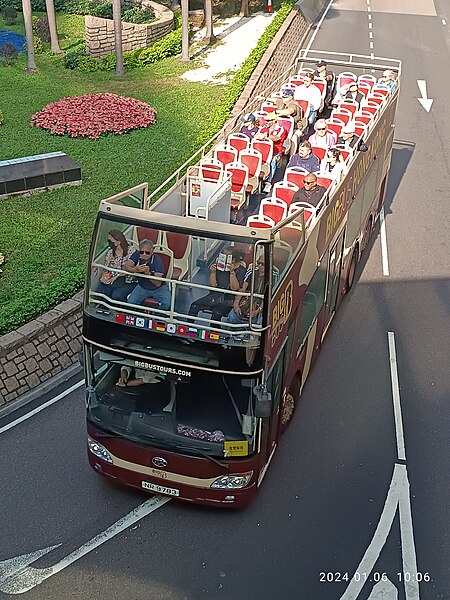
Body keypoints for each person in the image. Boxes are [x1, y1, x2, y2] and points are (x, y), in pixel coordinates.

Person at [189, 246, 247, 320]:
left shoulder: (241, 270)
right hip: (215, 296)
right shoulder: (219, 266)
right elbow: (212, 285)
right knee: (194, 306)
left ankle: (214, 331)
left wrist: (232, 272)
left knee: (217, 312)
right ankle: (188, 328)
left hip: (229, 299)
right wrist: (213, 273)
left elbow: (234, 288)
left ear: (233, 259)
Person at [125, 239, 171, 309]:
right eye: (141, 252)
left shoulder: (157, 260)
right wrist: (135, 270)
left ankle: (156, 317)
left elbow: (158, 283)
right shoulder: (137, 254)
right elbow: (126, 266)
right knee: (130, 303)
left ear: (152, 251)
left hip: (159, 288)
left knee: (166, 304)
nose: (144, 254)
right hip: (142, 286)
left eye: (147, 252)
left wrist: (148, 274)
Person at [96, 229, 135, 302]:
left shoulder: (131, 251)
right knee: (101, 291)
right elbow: (106, 268)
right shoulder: (110, 252)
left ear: (118, 242)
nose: (109, 243)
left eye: (111, 241)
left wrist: (117, 276)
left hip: (127, 279)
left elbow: (131, 268)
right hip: (113, 278)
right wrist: (106, 275)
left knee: (117, 295)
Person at [227, 258, 266, 327]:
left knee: (259, 322)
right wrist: (236, 304)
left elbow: (268, 296)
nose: (260, 265)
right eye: (258, 263)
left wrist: (257, 311)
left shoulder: (272, 275)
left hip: (262, 302)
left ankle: (251, 334)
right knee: (232, 316)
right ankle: (236, 333)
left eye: (262, 264)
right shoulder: (252, 272)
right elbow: (242, 289)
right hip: (248, 300)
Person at [255, 112, 288, 193]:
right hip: (263, 151)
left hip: (276, 152)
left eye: (268, 120)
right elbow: (256, 135)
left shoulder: (281, 129)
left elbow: (276, 138)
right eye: (265, 120)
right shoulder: (263, 128)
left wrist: (266, 136)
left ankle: (269, 182)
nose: (266, 122)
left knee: (273, 161)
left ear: (274, 121)